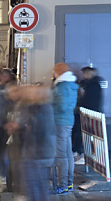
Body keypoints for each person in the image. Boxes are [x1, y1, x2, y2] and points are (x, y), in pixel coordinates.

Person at [10, 84, 55, 201]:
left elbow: (38, 130)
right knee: (39, 185)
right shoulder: (43, 107)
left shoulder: (40, 109)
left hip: (35, 153)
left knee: (33, 185)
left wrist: (20, 127)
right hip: (39, 152)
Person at [51, 62, 78, 195]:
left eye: (55, 71)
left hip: (60, 122)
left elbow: (61, 106)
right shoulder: (71, 85)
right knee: (68, 154)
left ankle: (62, 185)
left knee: (61, 155)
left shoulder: (62, 86)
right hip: (68, 121)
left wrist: (51, 104)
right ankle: (69, 183)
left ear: (59, 72)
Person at [73, 66, 103, 164]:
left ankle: (84, 154)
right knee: (86, 134)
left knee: (85, 134)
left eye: (83, 73)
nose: (82, 75)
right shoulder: (91, 84)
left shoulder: (92, 85)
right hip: (89, 113)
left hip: (88, 113)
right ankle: (83, 154)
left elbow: (89, 100)